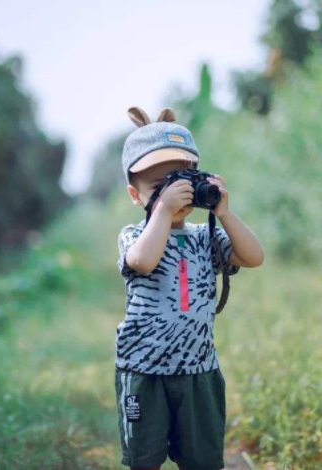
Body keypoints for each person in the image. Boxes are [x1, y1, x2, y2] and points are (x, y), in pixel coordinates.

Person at [115, 106, 264, 470]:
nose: (174, 196)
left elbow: (253, 256)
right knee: (144, 460)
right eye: (159, 187)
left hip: (198, 370)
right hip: (143, 370)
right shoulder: (134, 235)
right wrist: (163, 213)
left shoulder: (205, 236)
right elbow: (143, 261)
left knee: (203, 460)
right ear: (135, 195)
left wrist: (224, 213)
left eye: (181, 182)